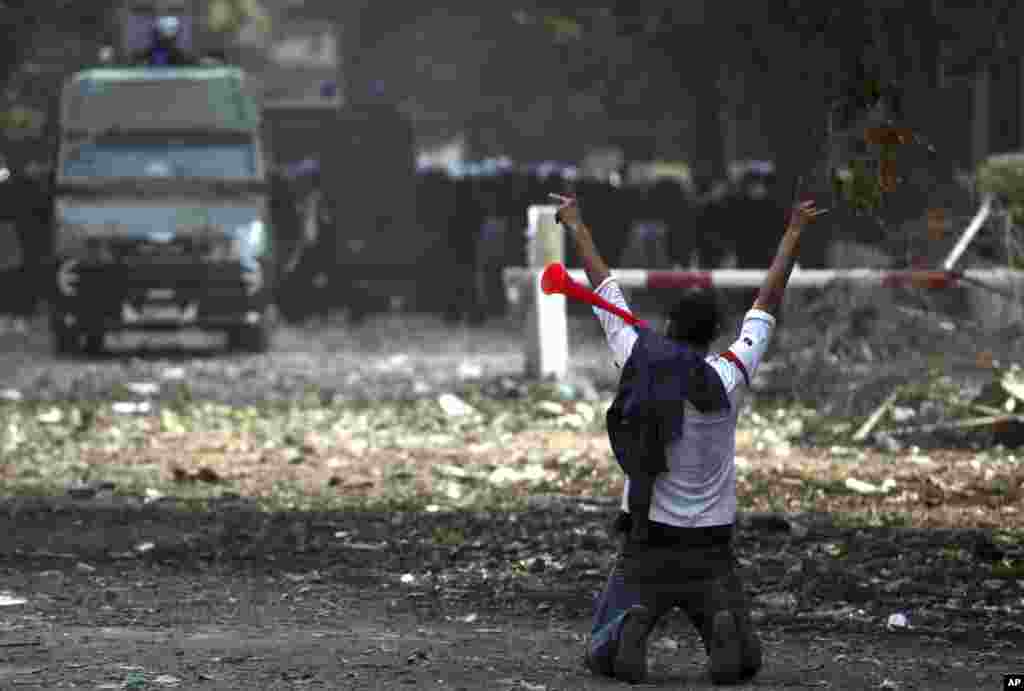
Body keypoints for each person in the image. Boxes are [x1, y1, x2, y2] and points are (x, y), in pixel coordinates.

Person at [550, 192, 826, 685]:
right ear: (715, 333)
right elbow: (767, 301)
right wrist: (794, 232)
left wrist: (577, 225)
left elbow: (605, 290)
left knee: (599, 656)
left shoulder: (639, 356)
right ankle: (721, 623)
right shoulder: (731, 373)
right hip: (712, 547)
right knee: (745, 663)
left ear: (669, 328)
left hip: (647, 539)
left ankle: (630, 626)